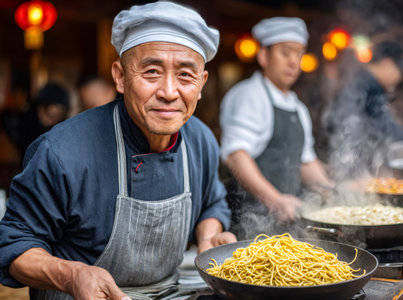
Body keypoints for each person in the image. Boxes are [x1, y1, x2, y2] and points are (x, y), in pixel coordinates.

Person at [0, 2, 236, 299]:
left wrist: (209, 235)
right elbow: (13, 245)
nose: (168, 91)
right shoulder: (62, 151)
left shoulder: (200, 140)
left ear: (201, 84)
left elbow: (213, 203)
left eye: (185, 75)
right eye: (151, 71)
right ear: (120, 77)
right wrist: (73, 275)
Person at [219, 17, 334, 240]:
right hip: (249, 227)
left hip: (286, 225)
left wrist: (332, 192)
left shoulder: (297, 106)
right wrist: (276, 200)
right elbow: (235, 155)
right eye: (285, 52)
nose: (294, 62)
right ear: (263, 56)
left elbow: (305, 161)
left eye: (299, 54)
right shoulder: (249, 95)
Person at [322, 41, 403, 180]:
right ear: (387, 63)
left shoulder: (363, 81)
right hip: (348, 167)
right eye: (399, 72)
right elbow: (386, 129)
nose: (398, 79)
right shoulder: (367, 85)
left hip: (349, 164)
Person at [1, 83, 70, 160]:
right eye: (50, 115)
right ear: (39, 107)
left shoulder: (60, 136)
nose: (53, 121)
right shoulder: (15, 126)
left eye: (59, 117)